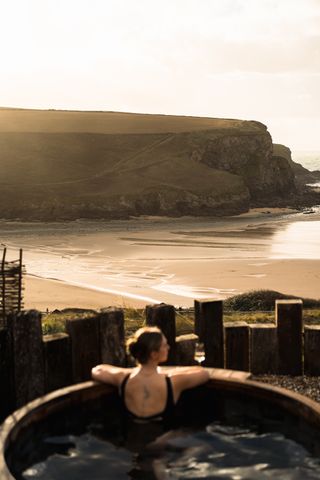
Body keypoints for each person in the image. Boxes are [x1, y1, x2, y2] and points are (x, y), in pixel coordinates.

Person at [91, 326, 210, 423]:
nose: (168, 347)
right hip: (163, 444)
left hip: (132, 440)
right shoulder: (173, 381)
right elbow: (203, 373)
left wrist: (129, 372)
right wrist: (170, 372)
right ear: (154, 354)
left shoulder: (123, 378)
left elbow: (98, 370)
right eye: (164, 345)